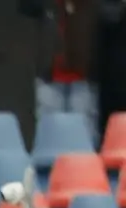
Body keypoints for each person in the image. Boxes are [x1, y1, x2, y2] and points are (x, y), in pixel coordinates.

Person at [21, 0, 101, 129]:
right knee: (50, 133)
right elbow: (26, 7)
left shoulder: (89, 5)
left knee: (83, 136)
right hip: (49, 77)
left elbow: (113, 12)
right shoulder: (47, 5)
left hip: (83, 78)